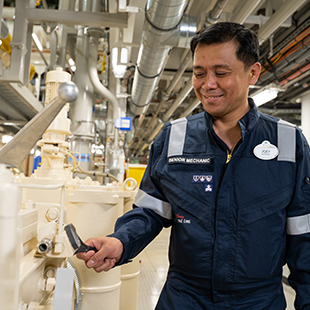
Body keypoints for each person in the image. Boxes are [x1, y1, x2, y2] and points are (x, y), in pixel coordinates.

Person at [77, 22, 310, 309]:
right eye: (199, 73)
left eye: (221, 73)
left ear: (253, 72)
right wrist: (121, 242)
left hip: (258, 301)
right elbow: (150, 212)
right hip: (184, 297)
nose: (207, 84)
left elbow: (304, 237)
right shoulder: (174, 138)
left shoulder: (288, 143)